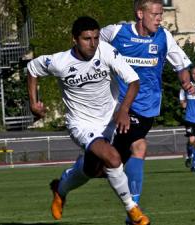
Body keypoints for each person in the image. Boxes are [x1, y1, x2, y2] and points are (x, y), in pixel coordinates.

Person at [27, 16, 150, 225]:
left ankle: (60, 188)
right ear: (74, 39)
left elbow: (133, 81)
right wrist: (33, 103)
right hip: (81, 124)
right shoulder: (59, 62)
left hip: (110, 120)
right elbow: (32, 68)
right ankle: (132, 210)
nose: (92, 44)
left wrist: (124, 109)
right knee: (112, 159)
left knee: (92, 170)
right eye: (86, 39)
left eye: (95, 38)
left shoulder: (107, 51)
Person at [99, 0, 194, 222]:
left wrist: (186, 83)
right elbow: (92, 47)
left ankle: (76, 177)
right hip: (118, 105)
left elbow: (181, 64)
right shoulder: (115, 32)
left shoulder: (163, 37)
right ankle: (134, 212)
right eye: (155, 14)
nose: (160, 18)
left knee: (109, 163)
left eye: (161, 14)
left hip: (147, 108)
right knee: (139, 146)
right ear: (140, 13)